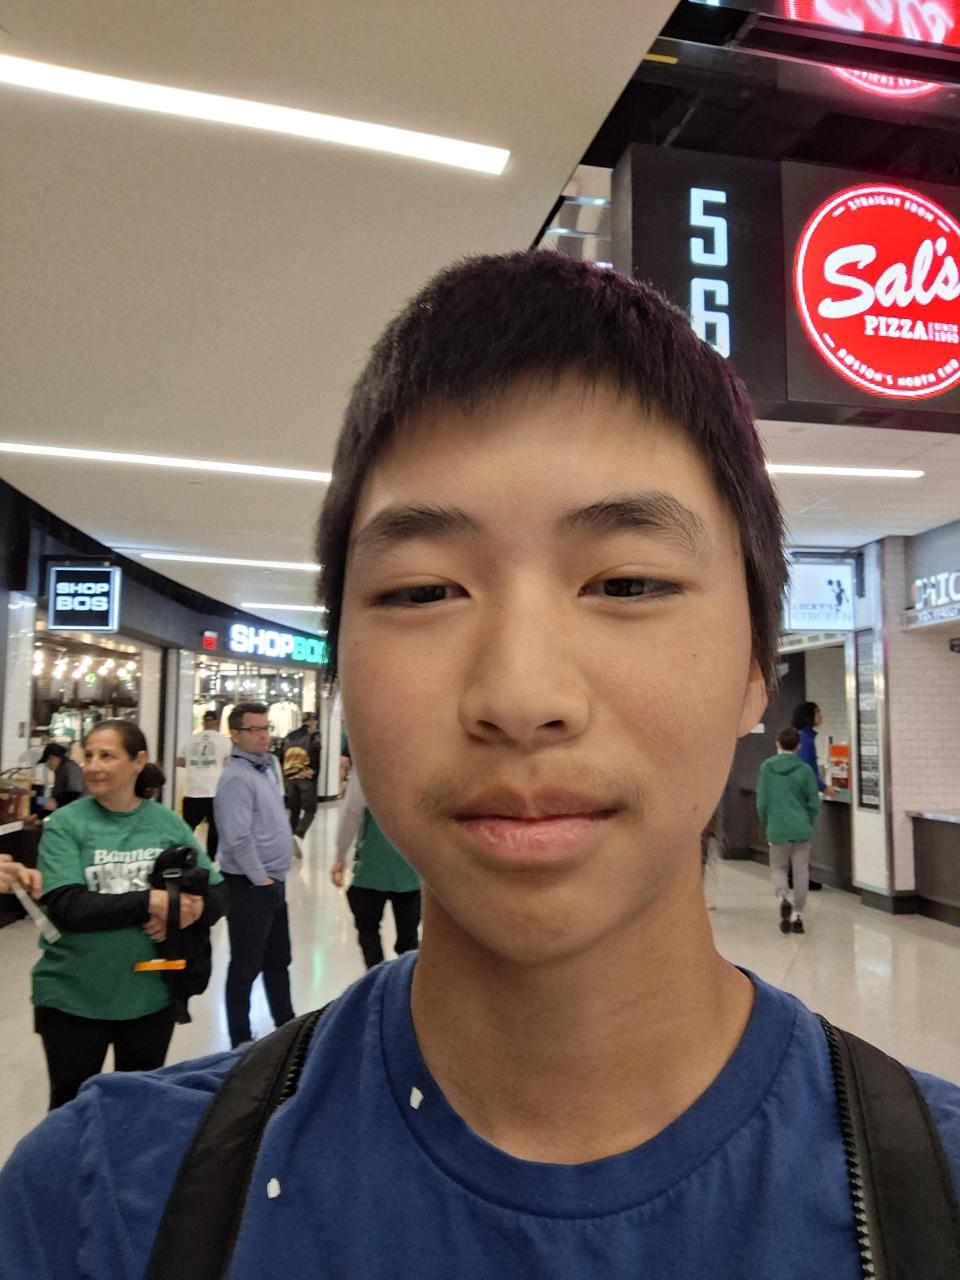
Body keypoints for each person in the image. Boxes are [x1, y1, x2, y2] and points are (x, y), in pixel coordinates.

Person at [3, 252, 960, 1276]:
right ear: (345, 668)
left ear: (754, 672)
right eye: (423, 592)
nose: (519, 693)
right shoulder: (104, 1206)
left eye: (627, 583)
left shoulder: (932, 1196)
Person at [27, 720, 226, 1109]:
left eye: (107, 756)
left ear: (138, 761)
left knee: (137, 1111)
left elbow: (219, 893)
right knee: (72, 1110)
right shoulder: (67, 823)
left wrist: (192, 908)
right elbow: (69, 906)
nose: (93, 766)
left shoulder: (166, 821)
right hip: (73, 998)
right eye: (88, 756)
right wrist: (151, 902)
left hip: (151, 998)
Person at [214, 702, 296, 1048]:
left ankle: (287, 1029)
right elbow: (237, 837)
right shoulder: (236, 778)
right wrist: (259, 878)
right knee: (246, 966)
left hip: (272, 883)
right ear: (234, 735)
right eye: (255, 730)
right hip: (250, 886)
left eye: (266, 728)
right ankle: (240, 1040)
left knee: (278, 960)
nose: (264, 736)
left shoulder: (264, 769)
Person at [332, 768, 421, 968]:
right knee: (408, 937)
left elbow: (352, 813)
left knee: (368, 929)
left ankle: (377, 977)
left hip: (372, 865)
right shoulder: (420, 763)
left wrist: (340, 855)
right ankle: (406, 980)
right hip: (410, 866)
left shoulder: (367, 765)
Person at [757, 726, 821, 935]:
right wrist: (808, 821)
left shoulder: (767, 768)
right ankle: (798, 915)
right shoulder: (805, 770)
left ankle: (783, 897)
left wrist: (766, 823)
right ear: (798, 746)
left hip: (777, 827)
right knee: (801, 871)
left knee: (778, 868)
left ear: (777, 743)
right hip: (801, 828)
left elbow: (762, 802)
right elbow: (814, 802)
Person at [176, 709, 232, 858]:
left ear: (203, 722)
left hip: (192, 790)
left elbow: (179, 761)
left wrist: (196, 765)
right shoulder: (224, 741)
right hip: (214, 791)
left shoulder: (191, 740)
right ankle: (211, 859)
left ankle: (182, 855)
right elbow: (229, 763)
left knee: (187, 828)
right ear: (217, 722)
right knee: (214, 829)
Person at [281, 712, 321, 856]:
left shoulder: (289, 736)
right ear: (312, 721)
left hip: (290, 777)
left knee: (294, 811)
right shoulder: (314, 735)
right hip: (305, 776)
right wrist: (313, 771)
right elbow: (316, 754)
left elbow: (281, 755)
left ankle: (288, 842)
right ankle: (299, 835)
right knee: (310, 810)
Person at [791, 701, 836, 797]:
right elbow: (805, 769)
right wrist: (824, 788)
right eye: (817, 711)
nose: (820, 715)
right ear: (808, 716)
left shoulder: (805, 736)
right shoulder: (804, 738)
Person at [37, 742, 85, 810]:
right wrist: (37, 799)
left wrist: (56, 802)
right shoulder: (59, 769)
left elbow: (75, 792)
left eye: (47, 761)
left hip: (76, 809)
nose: (47, 765)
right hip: (63, 809)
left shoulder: (70, 767)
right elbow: (53, 799)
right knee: (38, 800)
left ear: (52, 758)